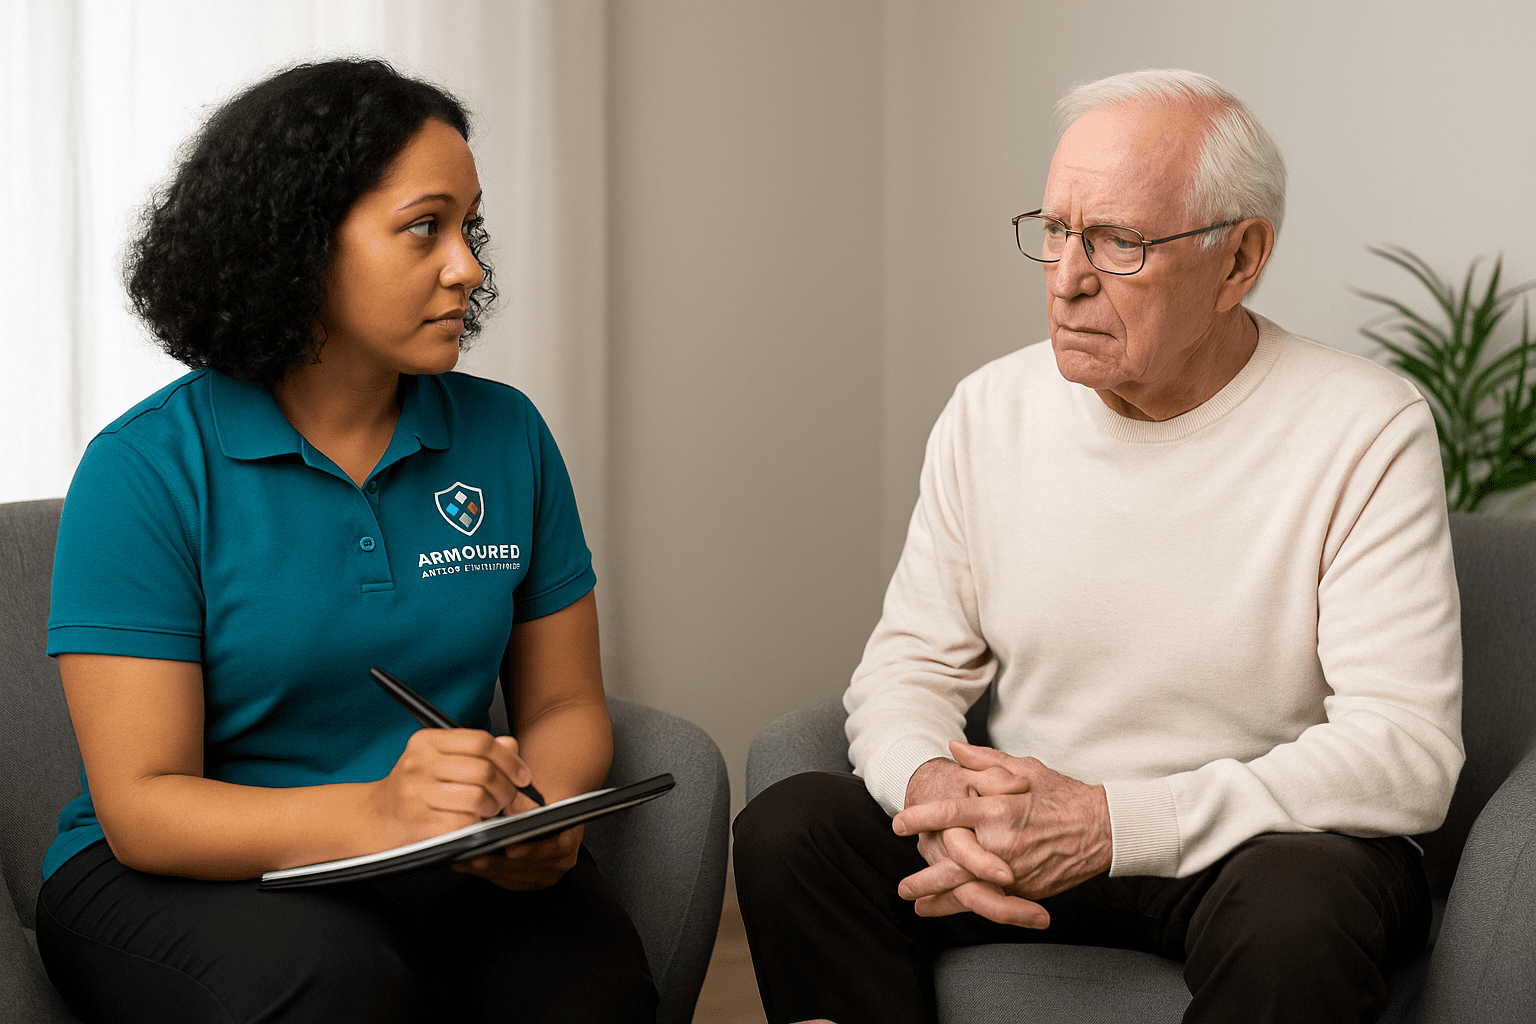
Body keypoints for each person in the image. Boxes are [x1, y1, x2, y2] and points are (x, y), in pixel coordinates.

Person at [733, 68, 1463, 1024]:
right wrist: (940, 791)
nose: (1068, 278)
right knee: (792, 830)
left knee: (1301, 909)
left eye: (1119, 243)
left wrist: (1116, 825)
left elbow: (1404, 751)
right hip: (1026, 839)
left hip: (1249, 851)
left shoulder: (1365, 427)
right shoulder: (990, 410)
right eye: (1056, 231)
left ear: (1240, 260)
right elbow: (907, 666)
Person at [35, 59, 656, 1024]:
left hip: (434, 851)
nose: (469, 267)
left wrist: (542, 811)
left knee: (592, 984)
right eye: (424, 228)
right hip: (188, 872)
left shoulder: (509, 434)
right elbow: (145, 805)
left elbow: (568, 701)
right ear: (298, 244)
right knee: (334, 987)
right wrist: (378, 814)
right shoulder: (145, 468)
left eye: (469, 226)